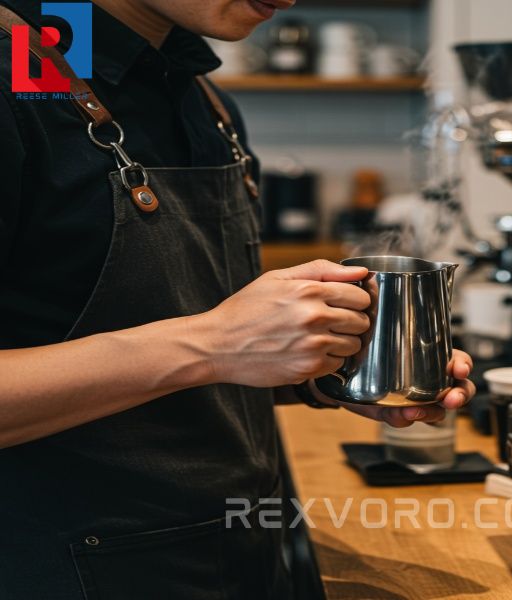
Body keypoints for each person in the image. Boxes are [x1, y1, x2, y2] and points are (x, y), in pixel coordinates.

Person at [0, 0, 476, 597]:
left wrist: (324, 373)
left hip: (238, 552)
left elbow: (172, 349)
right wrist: (215, 343)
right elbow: (207, 344)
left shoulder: (201, 95)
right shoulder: (18, 71)